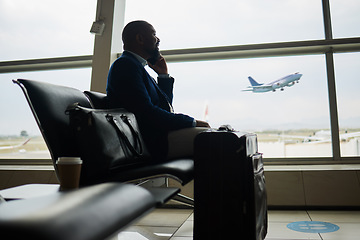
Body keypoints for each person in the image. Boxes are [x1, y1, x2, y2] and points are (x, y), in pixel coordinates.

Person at [106, 20, 210, 161]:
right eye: (154, 34)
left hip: (156, 138)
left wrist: (163, 76)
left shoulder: (135, 67)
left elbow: (164, 109)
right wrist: (191, 122)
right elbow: (146, 113)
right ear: (140, 39)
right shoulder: (126, 66)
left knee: (216, 137)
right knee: (214, 140)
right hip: (151, 143)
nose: (158, 39)